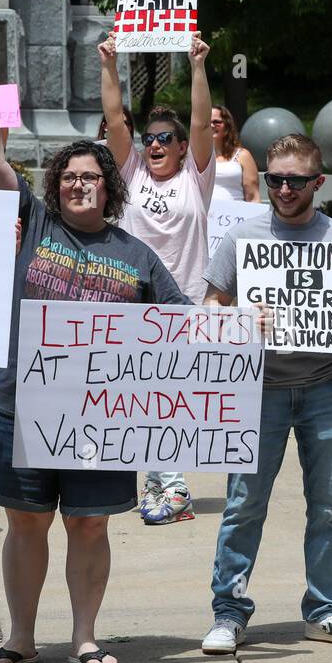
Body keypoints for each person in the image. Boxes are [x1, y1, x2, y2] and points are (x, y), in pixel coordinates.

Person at [0, 45, 189, 663]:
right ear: (56, 187)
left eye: (92, 177)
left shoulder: (136, 257)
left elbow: (183, 322)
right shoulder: (36, 223)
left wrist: (245, 325)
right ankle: (20, 638)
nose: (80, 185)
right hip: (20, 404)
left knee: (88, 526)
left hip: (98, 418)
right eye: (71, 177)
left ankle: (83, 637)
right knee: (26, 525)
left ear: (109, 189)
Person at [199, 133, 332, 655]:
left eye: (296, 180)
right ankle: (229, 612)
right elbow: (209, 308)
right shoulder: (242, 237)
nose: (284, 188)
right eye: (276, 178)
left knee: (328, 506)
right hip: (258, 388)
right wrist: (239, 317)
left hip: (327, 385)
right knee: (243, 505)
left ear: (318, 182)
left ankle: (325, 610)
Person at [98, 31, 216, 524]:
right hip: (133, 302)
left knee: (168, 395)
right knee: (141, 395)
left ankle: (172, 488)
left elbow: (202, 120)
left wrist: (197, 66)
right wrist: (108, 64)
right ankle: (161, 484)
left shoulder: (196, 175)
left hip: (184, 302)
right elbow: (113, 119)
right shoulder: (131, 174)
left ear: (183, 147)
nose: (153, 146)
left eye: (164, 139)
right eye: (149, 140)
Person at [210, 105, 261, 203]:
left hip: (235, 215)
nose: (211, 125)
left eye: (216, 122)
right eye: (207, 122)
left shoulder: (243, 155)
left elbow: (253, 196)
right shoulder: (194, 156)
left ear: (227, 125)